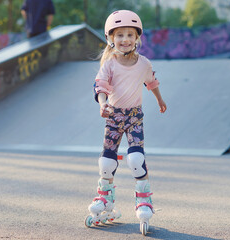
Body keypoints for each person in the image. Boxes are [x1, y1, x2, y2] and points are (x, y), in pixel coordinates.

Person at [84, 10, 167, 235]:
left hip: (134, 118)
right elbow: (100, 85)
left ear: (137, 38)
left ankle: (144, 200)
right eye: (119, 35)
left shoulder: (144, 63)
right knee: (106, 162)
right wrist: (102, 104)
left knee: (136, 159)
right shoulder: (109, 64)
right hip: (113, 117)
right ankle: (105, 198)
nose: (125, 39)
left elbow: (151, 82)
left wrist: (159, 99)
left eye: (130, 34)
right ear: (111, 38)